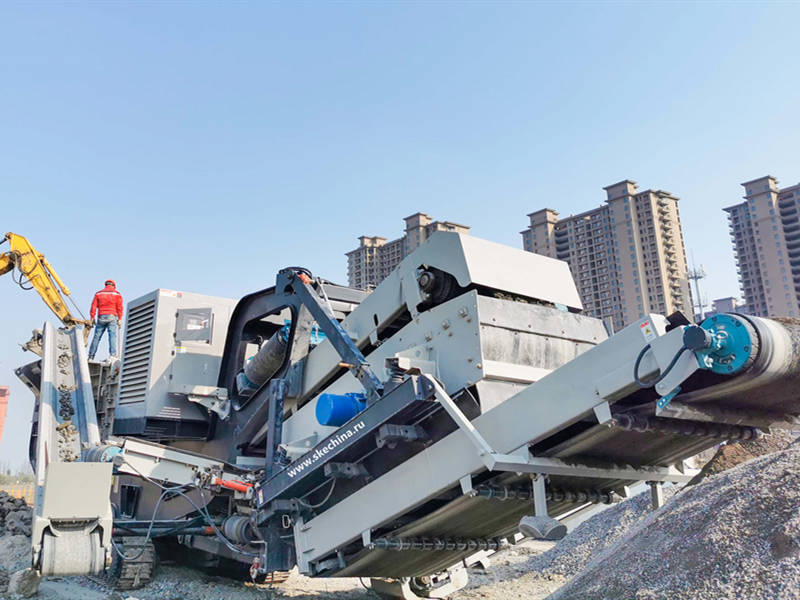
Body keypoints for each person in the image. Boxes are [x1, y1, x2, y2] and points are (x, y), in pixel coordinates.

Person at [88, 279, 123, 360]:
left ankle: (91, 357)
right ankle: (113, 355)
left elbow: (93, 306)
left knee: (97, 337)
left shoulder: (98, 293)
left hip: (101, 316)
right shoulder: (117, 294)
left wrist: (92, 317)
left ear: (106, 285)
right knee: (112, 336)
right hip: (112, 316)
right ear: (114, 286)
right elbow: (119, 308)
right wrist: (120, 319)